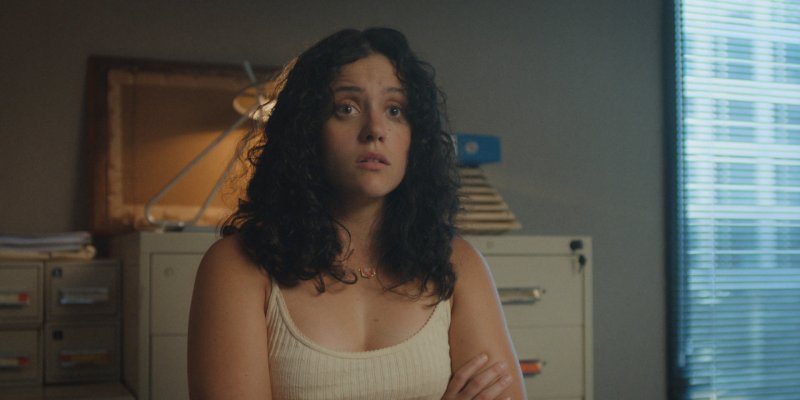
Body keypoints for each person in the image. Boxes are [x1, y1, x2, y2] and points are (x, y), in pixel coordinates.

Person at [187, 27, 526, 399]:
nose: (375, 130)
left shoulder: (458, 263)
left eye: (395, 110)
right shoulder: (236, 266)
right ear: (307, 128)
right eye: (346, 108)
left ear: (415, 137)